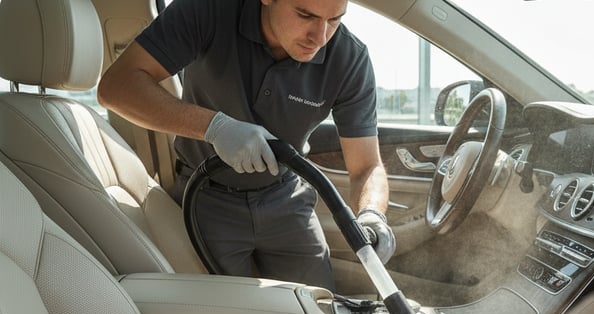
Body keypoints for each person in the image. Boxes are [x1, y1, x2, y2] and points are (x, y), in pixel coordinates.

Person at [97, 0, 395, 290]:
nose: (320, 38)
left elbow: (367, 167)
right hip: (204, 198)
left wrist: (372, 214)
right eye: (305, 15)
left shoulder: (348, 59)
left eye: (334, 20)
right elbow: (116, 87)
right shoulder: (207, 10)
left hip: (286, 199)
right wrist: (214, 127)